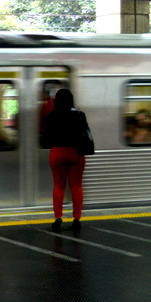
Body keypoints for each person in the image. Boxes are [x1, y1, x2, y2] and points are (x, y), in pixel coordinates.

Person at [44, 88, 89, 233]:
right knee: (76, 186)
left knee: (59, 186)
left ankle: (58, 218)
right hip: (76, 153)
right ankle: (76, 219)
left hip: (57, 153)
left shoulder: (51, 116)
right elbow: (85, 133)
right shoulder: (80, 115)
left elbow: (46, 137)